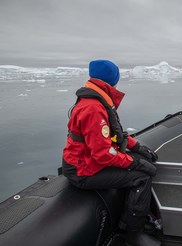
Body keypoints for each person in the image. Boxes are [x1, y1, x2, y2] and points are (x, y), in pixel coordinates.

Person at [62, 60, 160, 246]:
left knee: (136, 161)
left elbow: (113, 135)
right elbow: (102, 154)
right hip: (82, 171)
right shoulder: (93, 108)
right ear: (112, 80)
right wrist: (135, 164)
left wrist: (135, 147)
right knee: (141, 177)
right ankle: (133, 234)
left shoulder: (95, 101)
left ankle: (128, 220)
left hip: (86, 162)